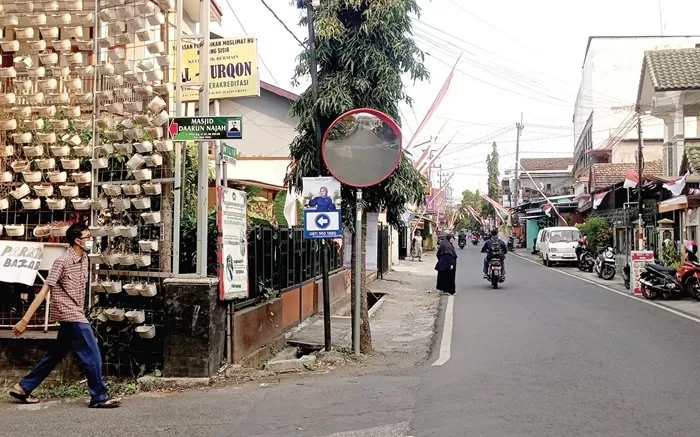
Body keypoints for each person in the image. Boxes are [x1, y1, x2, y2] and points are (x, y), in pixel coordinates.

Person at [8, 222, 121, 408]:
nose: (91, 240)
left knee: (56, 353)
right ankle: (99, 397)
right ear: (77, 240)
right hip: (69, 312)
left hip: (76, 310)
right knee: (92, 353)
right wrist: (25, 319)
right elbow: (44, 291)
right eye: (87, 237)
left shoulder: (85, 259)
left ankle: (23, 387)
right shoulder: (62, 262)